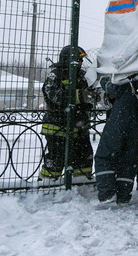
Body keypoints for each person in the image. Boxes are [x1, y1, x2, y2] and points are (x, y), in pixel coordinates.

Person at [39, 45, 96, 182]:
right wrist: (80, 96)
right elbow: (55, 96)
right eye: (78, 60)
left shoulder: (82, 75)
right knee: (56, 159)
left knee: (84, 157)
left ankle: (81, 183)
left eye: (82, 60)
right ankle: (47, 186)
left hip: (79, 127)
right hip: (57, 126)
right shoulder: (55, 75)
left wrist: (92, 96)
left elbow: (87, 99)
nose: (81, 63)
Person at [94, 73, 138, 204]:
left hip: (120, 119)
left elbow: (112, 87)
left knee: (104, 155)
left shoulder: (123, 76)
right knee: (128, 159)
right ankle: (124, 195)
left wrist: (105, 80)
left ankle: (107, 193)